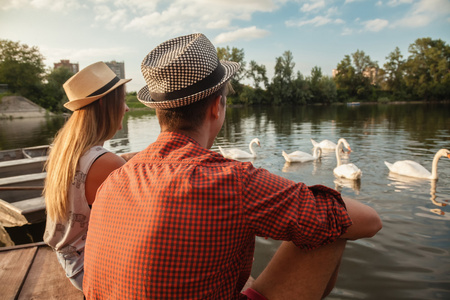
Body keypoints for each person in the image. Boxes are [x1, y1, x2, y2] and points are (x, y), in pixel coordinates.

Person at [83, 33, 382, 299]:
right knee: (332, 226)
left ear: (159, 113)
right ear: (216, 106)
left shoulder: (115, 177)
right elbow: (369, 221)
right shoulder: (229, 180)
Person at [43, 61, 132, 291]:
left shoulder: (64, 149)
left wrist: (132, 156)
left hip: (70, 260)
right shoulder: (106, 164)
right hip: (90, 269)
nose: (126, 108)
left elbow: (108, 161)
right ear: (104, 104)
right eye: (122, 100)